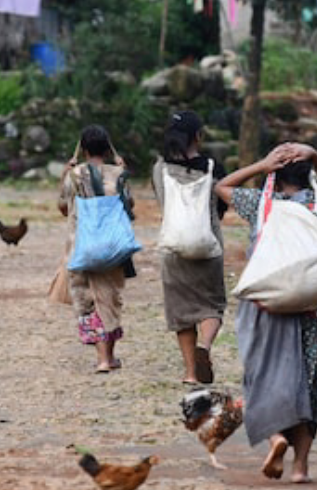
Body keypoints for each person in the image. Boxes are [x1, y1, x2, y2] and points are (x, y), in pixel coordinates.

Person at [215, 142, 317, 484]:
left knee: (263, 376)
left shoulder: (260, 204)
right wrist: (314, 153)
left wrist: (260, 164)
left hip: (267, 307)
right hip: (313, 309)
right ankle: (300, 466)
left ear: (275, 173)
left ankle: (276, 438)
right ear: (307, 173)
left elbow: (221, 187)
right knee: (310, 386)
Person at [151, 111, 228, 385]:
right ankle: (204, 346)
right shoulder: (213, 167)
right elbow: (221, 207)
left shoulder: (160, 169)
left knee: (181, 312)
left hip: (173, 248)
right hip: (208, 246)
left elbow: (162, 201)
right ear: (198, 136)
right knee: (212, 306)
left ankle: (190, 373)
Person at [57, 125, 135, 374]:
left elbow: (62, 206)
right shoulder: (118, 174)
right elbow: (129, 205)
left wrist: (64, 174)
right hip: (113, 246)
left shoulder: (75, 174)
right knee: (110, 297)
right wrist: (122, 171)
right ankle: (109, 357)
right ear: (106, 149)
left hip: (83, 246)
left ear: (85, 149)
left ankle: (102, 359)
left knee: (91, 300)